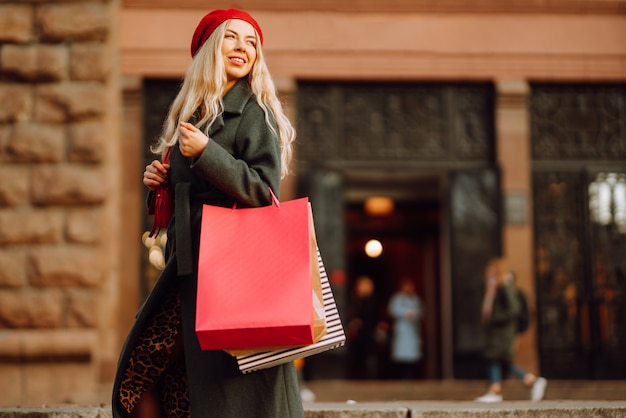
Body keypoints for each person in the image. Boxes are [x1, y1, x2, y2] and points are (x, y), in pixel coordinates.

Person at [111, 9, 303, 418]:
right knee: (168, 383)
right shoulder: (196, 111)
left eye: (251, 42)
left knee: (143, 375)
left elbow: (263, 189)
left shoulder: (256, 112)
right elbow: (193, 188)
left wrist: (207, 154)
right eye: (232, 38)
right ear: (209, 48)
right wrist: (160, 183)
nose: (243, 48)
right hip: (192, 265)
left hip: (228, 273)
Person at [475, 259, 547, 403]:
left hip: (503, 333)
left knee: (496, 358)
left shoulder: (505, 286)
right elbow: (485, 313)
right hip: (498, 333)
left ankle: (495, 391)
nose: (489, 277)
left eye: (491, 274)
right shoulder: (496, 289)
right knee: (501, 361)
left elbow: (513, 309)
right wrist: (490, 292)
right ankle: (531, 380)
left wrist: (496, 317)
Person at [387, 278, 423, 379]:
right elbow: (393, 311)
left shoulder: (415, 299)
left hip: (412, 331)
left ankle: (410, 376)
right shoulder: (397, 299)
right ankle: (401, 376)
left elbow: (420, 311)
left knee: (411, 357)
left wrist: (414, 314)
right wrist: (405, 313)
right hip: (401, 330)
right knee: (401, 357)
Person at [346, 275, 378, 379]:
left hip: (368, 332)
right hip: (357, 333)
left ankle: (368, 376)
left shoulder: (372, 301)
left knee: (368, 355)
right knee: (356, 355)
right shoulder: (354, 299)